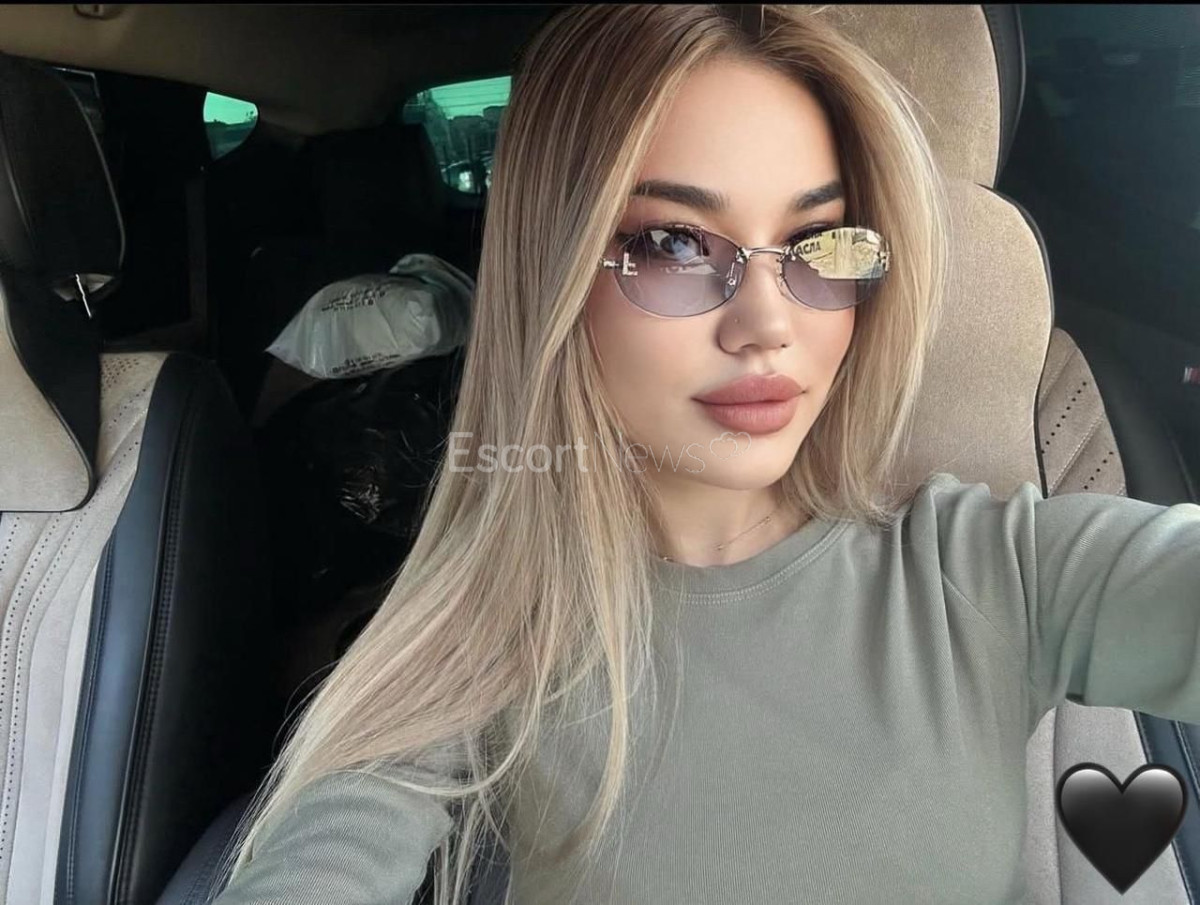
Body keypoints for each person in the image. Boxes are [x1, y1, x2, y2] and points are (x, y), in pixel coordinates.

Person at [208, 5, 1200, 905]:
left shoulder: (992, 570)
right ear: (556, 274)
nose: (768, 323)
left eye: (820, 241)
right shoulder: (487, 628)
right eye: (675, 244)